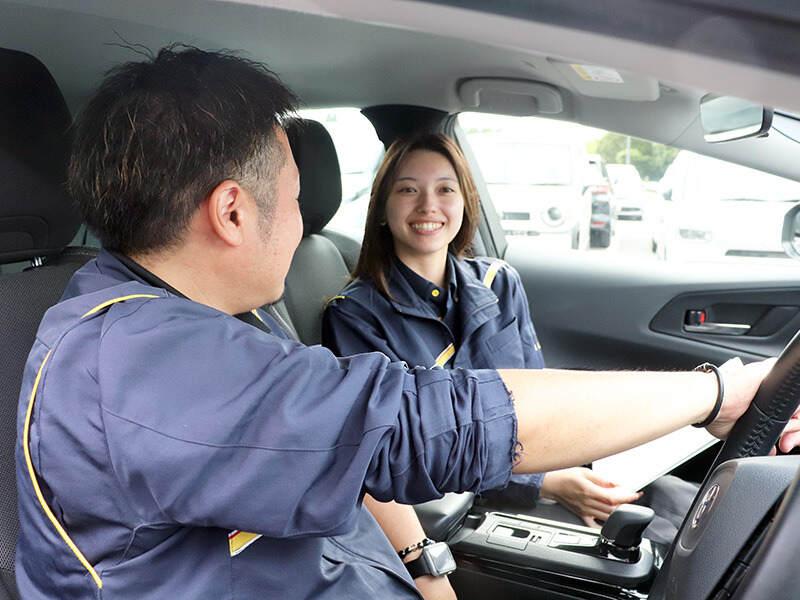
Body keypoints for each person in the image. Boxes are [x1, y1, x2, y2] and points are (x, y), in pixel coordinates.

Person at [14, 46, 790, 600]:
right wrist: (716, 389)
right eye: (294, 195)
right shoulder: (130, 361)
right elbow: (409, 426)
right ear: (231, 211)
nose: (306, 216)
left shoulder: (213, 320)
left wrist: (422, 562)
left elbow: (337, 455)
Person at [319, 134, 669, 598]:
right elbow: (406, 450)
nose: (429, 205)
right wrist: (547, 484)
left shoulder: (498, 281)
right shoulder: (355, 314)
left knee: (683, 506)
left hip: (546, 467)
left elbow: (541, 397)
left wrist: (579, 464)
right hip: (470, 505)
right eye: (408, 189)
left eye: (445, 189)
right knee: (661, 546)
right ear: (382, 207)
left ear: (466, 201)